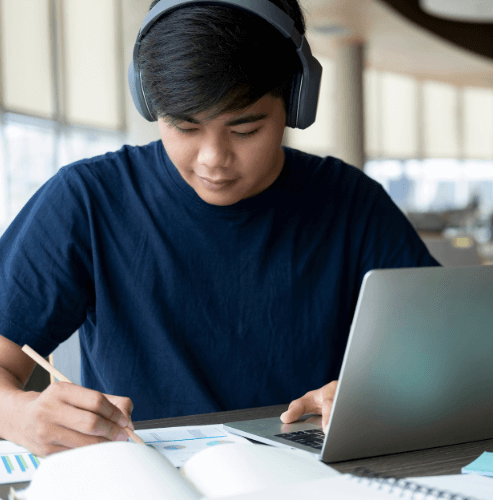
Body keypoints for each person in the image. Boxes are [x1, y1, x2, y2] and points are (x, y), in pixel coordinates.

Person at [0, 0, 437, 457]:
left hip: (309, 478)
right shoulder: (87, 200)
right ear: (151, 104)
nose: (213, 160)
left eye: (245, 129)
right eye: (185, 127)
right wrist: (19, 415)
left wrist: (380, 389)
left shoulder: (351, 203)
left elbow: (445, 351)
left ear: (296, 100)